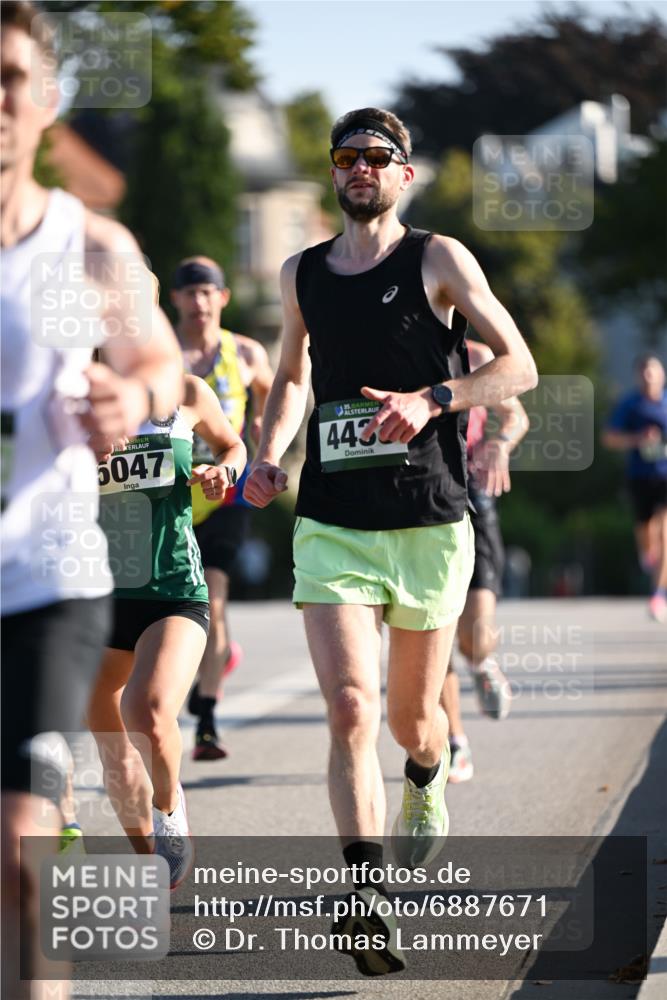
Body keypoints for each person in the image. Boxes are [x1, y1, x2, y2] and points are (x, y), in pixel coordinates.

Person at [244, 106, 537, 975]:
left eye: (378, 156)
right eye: (347, 157)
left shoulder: (438, 258)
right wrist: (269, 454)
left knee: (413, 722)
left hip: (427, 518)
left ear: (403, 175)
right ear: (334, 174)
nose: (361, 168)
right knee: (349, 707)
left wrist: (432, 402)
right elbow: (292, 375)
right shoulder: (303, 273)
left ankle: (426, 776)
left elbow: (516, 364)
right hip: (333, 519)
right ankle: (365, 896)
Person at [0, 4, 183, 997]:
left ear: (47, 100)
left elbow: (155, 355)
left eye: (9, 77)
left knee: (20, 843)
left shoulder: (83, 248)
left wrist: (134, 393)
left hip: (43, 577)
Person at [87, 372, 246, 886]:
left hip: (173, 589)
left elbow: (234, 445)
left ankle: (169, 806)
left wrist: (225, 472)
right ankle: (148, 861)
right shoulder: (71, 392)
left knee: (148, 712)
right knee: (114, 752)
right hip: (97, 596)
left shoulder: (187, 390)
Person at [173, 257, 273, 759]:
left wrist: (265, 441)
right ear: (176, 300)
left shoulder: (247, 352)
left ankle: (207, 722)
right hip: (170, 492)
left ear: (223, 298)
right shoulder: (160, 352)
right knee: (175, 604)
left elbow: (279, 399)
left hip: (227, 487)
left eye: (208, 292)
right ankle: (209, 661)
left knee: (212, 598)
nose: (199, 301)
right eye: (190, 293)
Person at [440, 340, 529, 783]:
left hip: (471, 496)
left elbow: (516, 416)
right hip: (414, 499)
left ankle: (481, 663)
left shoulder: (475, 357)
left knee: (475, 632)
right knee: (431, 636)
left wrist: (500, 444)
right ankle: (455, 741)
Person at [603, 353, 667, 623]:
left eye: (653, 370)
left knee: (665, 530)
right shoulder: (629, 405)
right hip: (640, 477)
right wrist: (637, 439)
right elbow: (609, 438)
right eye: (643, 371)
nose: (648, 375)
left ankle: (658, 594)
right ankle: (647, 554)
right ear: (637, 375)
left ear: (661, 374)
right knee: (645, 530)